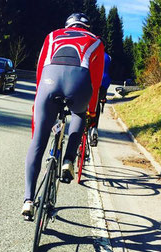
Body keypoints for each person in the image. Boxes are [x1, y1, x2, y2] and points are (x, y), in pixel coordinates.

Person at [22, 12, 105, 218]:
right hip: (78, 86)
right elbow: (95, 83)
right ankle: (68, 159)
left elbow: (40, 70)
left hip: (48, 84)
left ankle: (28, 200)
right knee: (79, 114)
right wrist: (92, 114)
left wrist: (39, 109)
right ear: (87, 27)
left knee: (37, 143)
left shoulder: (52, 36)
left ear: (67, 26)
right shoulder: (96, 41)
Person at [89, 51, 111, 146]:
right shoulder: (108, 57)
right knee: (97, 103)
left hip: (90, 81)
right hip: (103, 85)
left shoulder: (89, 53)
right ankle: (94, 128)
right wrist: (104, 97)